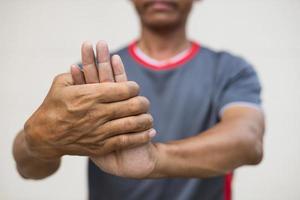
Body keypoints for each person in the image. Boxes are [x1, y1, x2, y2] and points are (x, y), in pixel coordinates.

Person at [13, 0, 265, 200]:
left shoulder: (229, 69)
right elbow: (31, 169)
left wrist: (156, 160)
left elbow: (248, 140)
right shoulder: (96, 74)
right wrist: (37, 140)